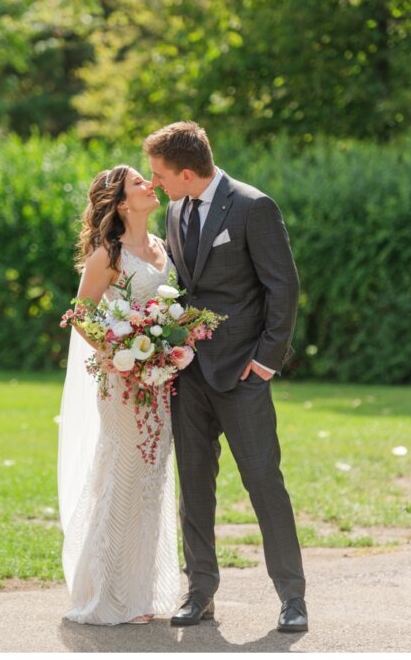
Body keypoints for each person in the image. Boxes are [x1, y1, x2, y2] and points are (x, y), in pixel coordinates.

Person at [145, 120, 307, 633]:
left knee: (264, 483)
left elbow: (283, 288)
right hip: (187, 376)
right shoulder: (174, 209)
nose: (156, 185)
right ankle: (200, 592)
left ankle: (292, 598)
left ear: (187, 172)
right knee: (194, 487)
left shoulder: (253, 206)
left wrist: (265, 361)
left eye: (160, 175)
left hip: (243, 375)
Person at [58, 164, 181, 626]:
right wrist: (120, 354)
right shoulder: (107, 255)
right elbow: (82, 313)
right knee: (124, 475)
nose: (150, 185)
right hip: (124, 383)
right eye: (138, 182)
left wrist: (164, 351)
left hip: (161, 381)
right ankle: (107, 593)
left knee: (153, 480)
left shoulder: (162, 248)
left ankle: (142, 591)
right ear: (123, 202)